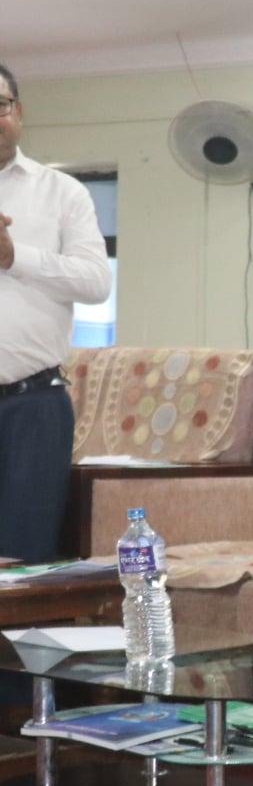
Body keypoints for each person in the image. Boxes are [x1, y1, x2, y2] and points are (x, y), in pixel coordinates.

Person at [0, 61, 110, 563]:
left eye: (0, 105)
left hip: (33, 408)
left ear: (19, 112)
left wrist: (15, 257)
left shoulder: (62, 193)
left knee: (25, 563)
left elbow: (94, 282)